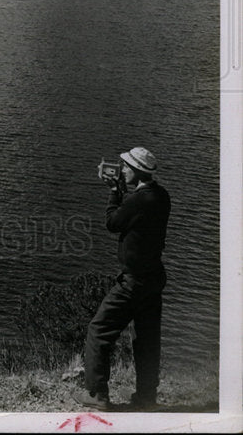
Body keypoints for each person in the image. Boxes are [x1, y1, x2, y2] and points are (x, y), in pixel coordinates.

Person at [82, 147, 171, 411]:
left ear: (137, 171)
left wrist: (113, 192)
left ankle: (97, 394)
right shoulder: (161, 196)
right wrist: (124, 192)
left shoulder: (138, 200)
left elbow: (113, 222)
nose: (121, 171)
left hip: (133, 281)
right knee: (146, 339)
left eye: (124, 167)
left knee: (98, 331)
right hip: (154, 278)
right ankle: (146, 397)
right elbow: (135, 217)